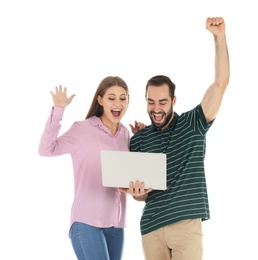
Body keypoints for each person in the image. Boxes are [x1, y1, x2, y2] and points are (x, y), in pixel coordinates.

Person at [120, 17, 230, 260]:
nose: (156, 108)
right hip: (151, 227)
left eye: (162, 102)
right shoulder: (139, 140)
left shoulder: (194, 122)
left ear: (173, 101)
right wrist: (137, 192)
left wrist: (219, 38)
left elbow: (220, 84)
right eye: (150, 101)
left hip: (185, 224)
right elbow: (142, 195)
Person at [38, 76, 145, 260]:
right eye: (111, 98)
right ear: (100, 100)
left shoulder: (125, 134)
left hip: (116, 226)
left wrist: (141, 137)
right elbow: (46, 149)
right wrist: (59, 110)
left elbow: (128, 174)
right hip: (86, 222)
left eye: (123, 98)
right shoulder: (83, 129)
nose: (117, 103)